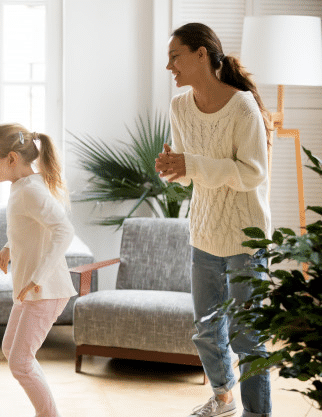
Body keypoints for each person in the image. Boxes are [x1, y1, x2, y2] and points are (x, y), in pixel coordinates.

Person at [155, 23, 272, 417]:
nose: (169, 65)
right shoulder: (179, 107)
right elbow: (192, 172)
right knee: (207, 330)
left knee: (247, 337)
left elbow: (253, 172)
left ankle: (258, 413)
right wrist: (173, 169)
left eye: (175, 56)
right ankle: (224, 402)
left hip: (246, 237)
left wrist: (191, 163)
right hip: (204, 232)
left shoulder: (242, 106)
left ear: (201, 54)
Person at [0, 124, 77, 417]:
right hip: (34, 290)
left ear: (11, 159)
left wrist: (38, 277)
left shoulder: (30, 191)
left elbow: (64, 230)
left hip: (45, 290)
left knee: (20, 361)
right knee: (12, 350)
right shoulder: (24, 186)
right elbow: (31, 226)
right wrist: (10, 245)